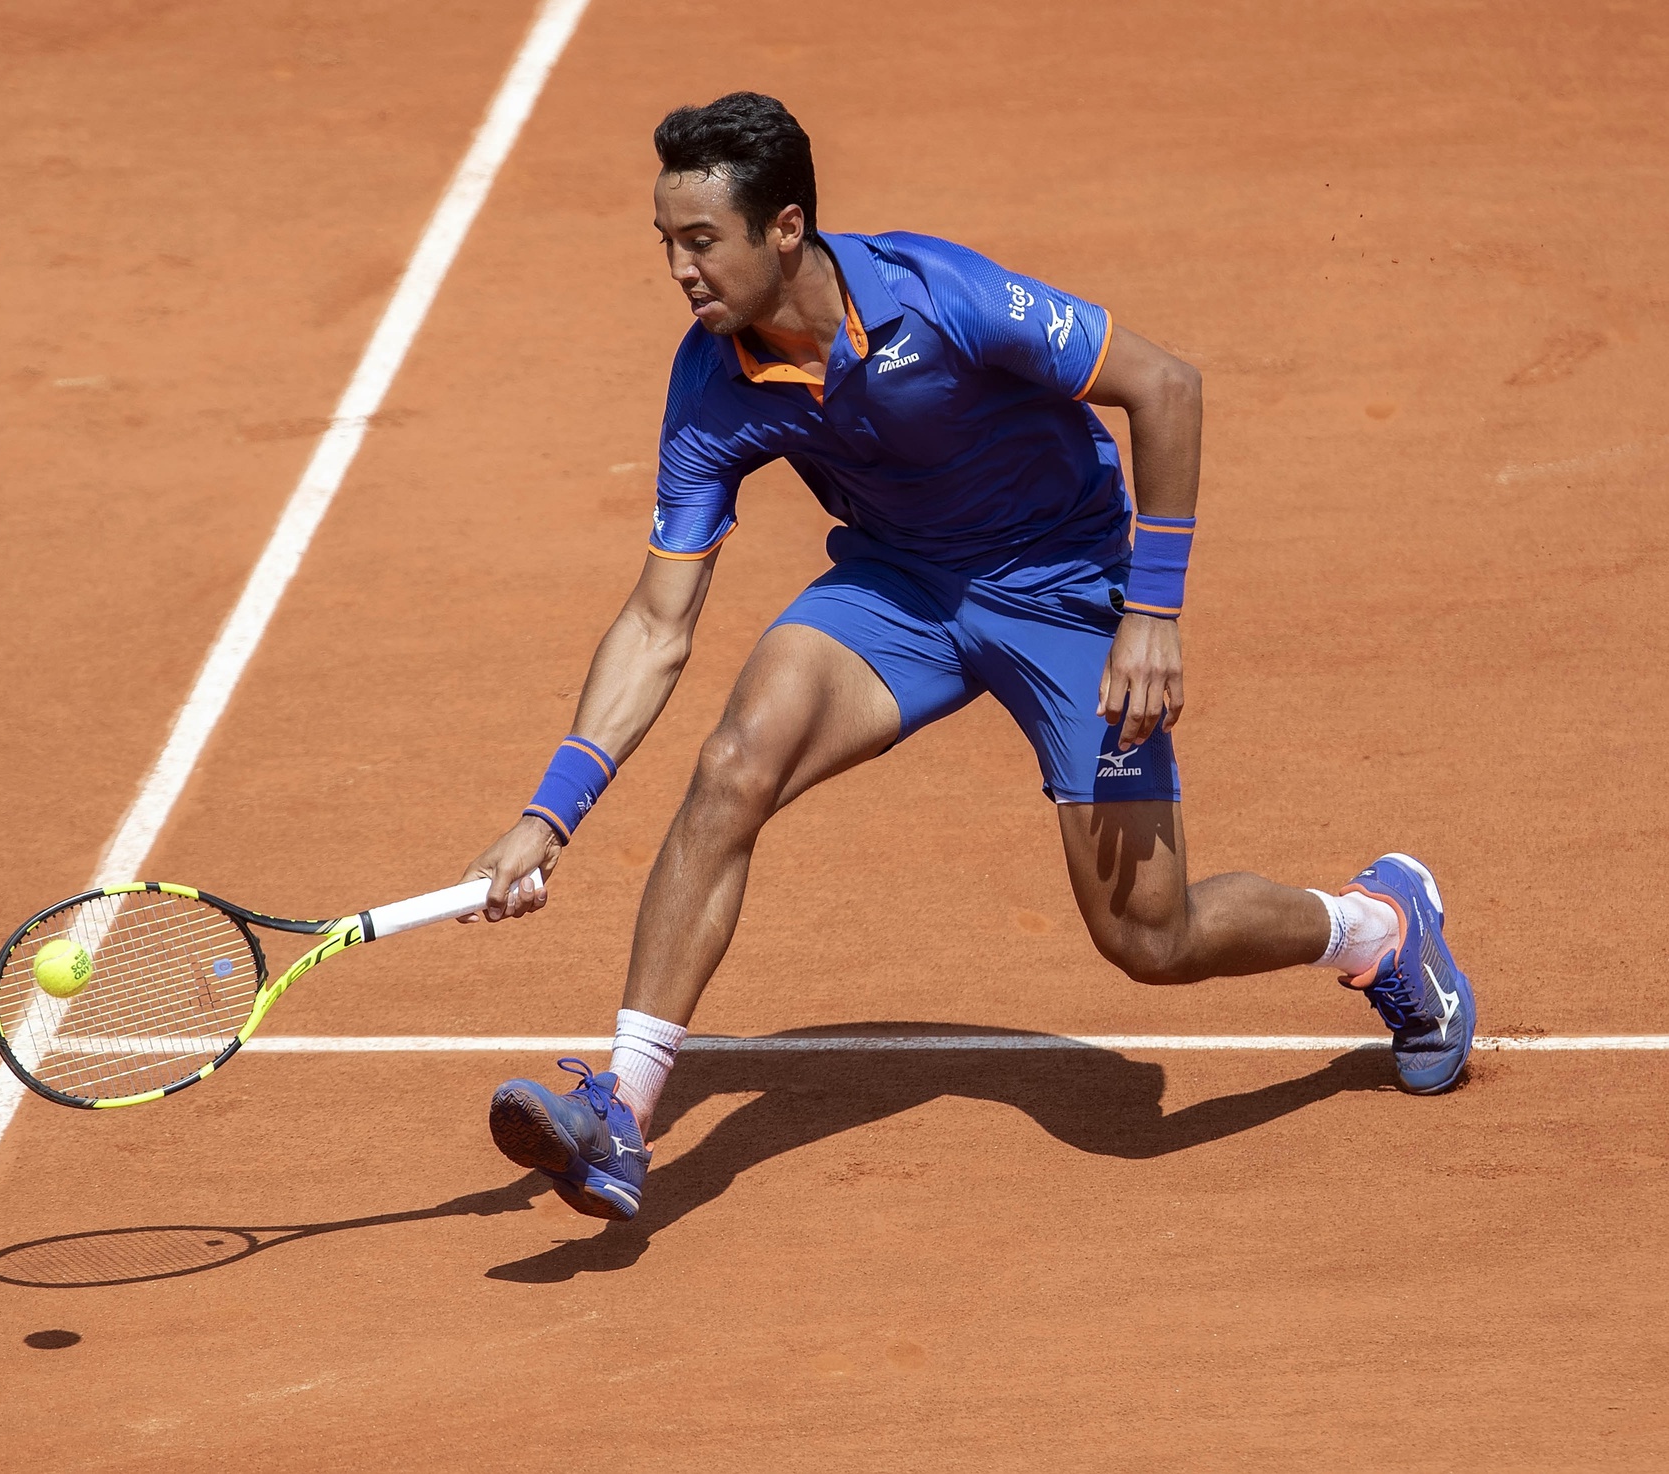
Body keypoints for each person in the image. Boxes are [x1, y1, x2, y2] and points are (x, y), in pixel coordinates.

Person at [459, 92, 1474, 1223]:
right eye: (667, 245)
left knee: (1150, 934)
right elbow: (656, 623)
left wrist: (1151, 611)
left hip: (1065, 589)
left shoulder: (941, 297)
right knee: (733, 764)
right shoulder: (709, 386)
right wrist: (550, 814)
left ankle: (1376, 927)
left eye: (701, 242)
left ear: (784, 228)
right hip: (900, 588)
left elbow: (1165, 386)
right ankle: (623, 1112)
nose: (679, 270)